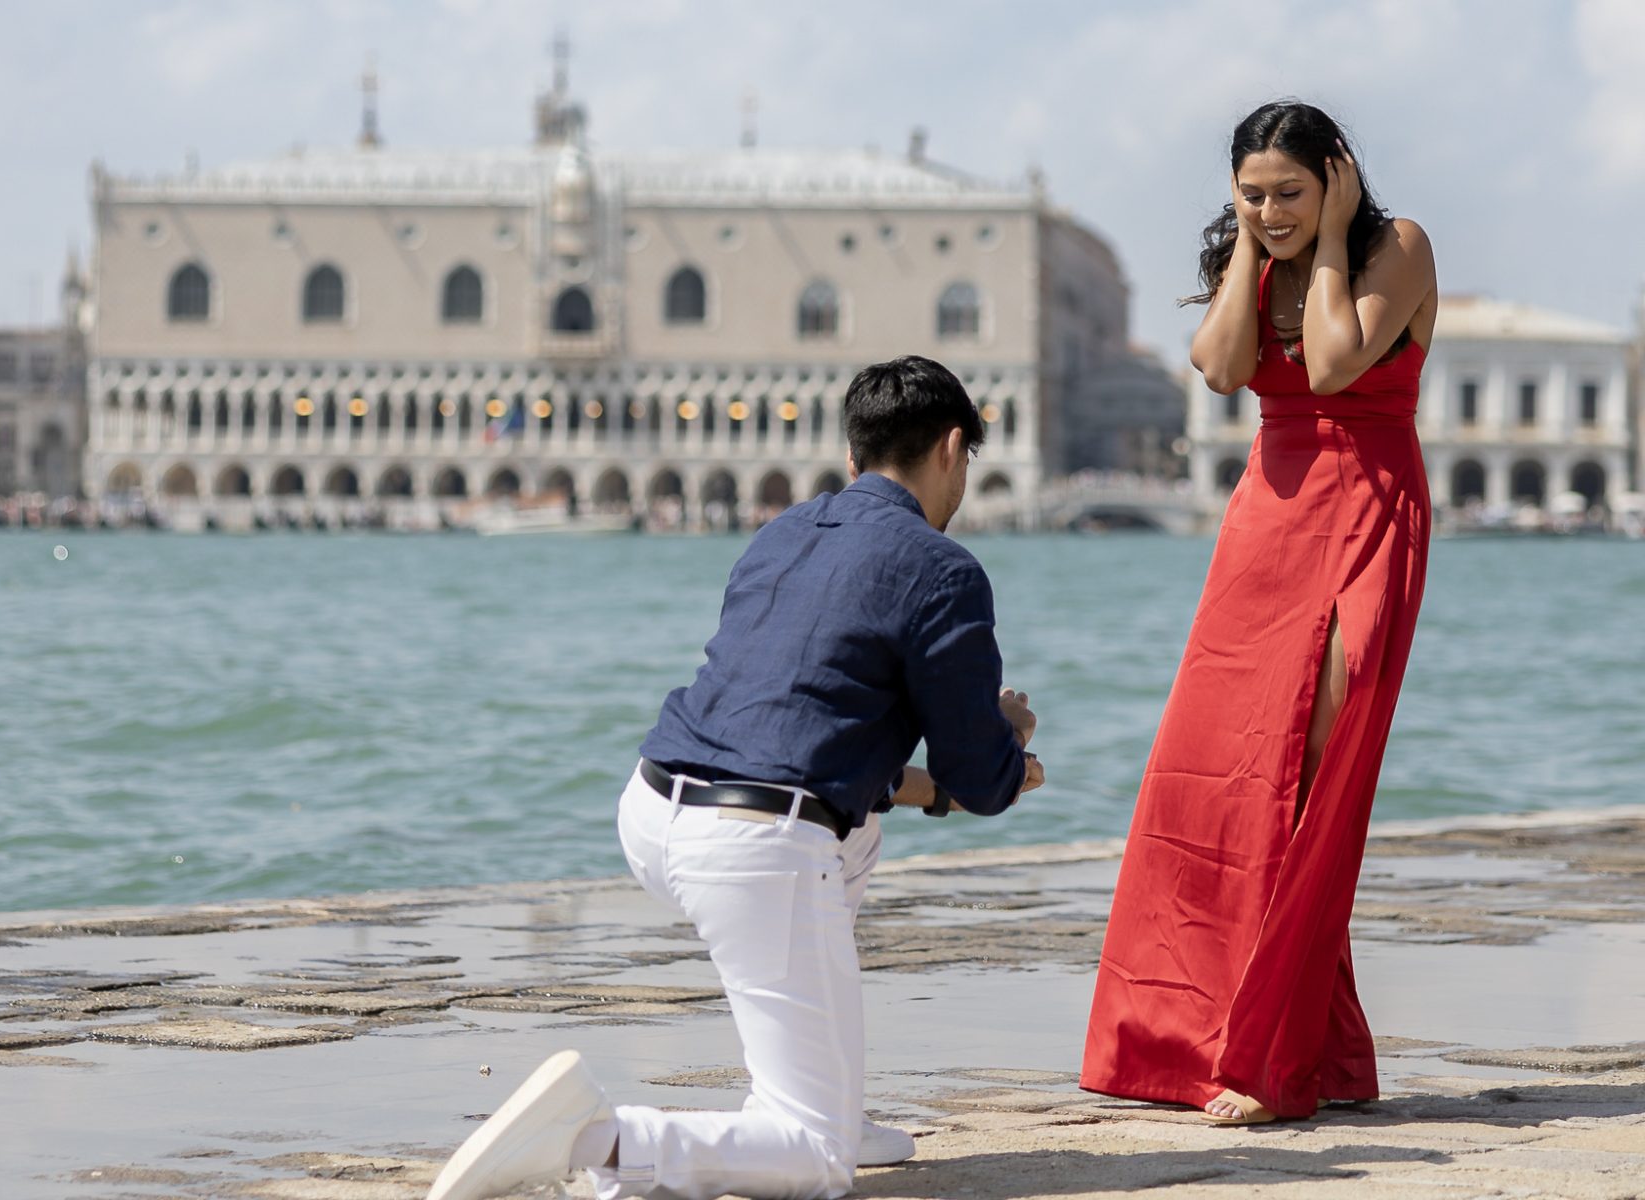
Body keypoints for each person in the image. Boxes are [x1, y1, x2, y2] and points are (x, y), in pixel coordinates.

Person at [427, 355, 1044, 1200]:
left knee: (853, 833)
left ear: (855, 457)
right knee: (813, 1162)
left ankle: (828, 1090)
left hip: (654, 807)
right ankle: (598, 1139)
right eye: (967, 461)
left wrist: (930, 789)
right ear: (950, 449)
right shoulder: (944, 572)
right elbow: (980, 778)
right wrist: (1008, 738)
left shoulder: (784, 532)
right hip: (754, 843)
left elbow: (806, 733)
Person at [1080, 100, 1438, 1126]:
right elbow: (1225, 367)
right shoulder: (1252, 253)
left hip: (1366, 514)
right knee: (1219, 782)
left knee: (1310, 773)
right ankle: (1233, 1040)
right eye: (1251, 194)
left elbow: (1328, 367)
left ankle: (1269, 1055)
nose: (1270, 208)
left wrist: (1326, 241)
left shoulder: (1397, 247)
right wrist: (1250, 246)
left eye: (1289, 190)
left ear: (1337, 175)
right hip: (1264, 527)